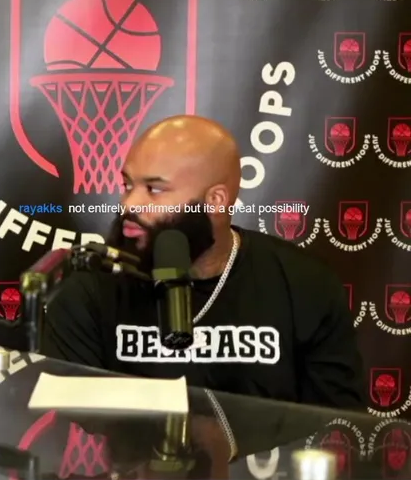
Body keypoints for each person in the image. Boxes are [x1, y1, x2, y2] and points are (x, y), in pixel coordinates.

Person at [40, 115, 363, 409]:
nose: (129, 203)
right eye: (127, 185)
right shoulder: (90, 286)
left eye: (154, 189)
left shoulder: (305, 286)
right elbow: (62, 429)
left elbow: (336, 429)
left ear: (215, 201)